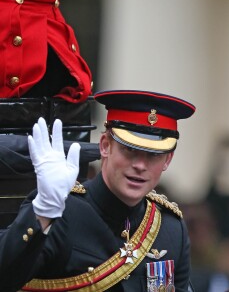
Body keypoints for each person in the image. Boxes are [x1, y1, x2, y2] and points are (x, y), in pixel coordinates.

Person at [0, 89, 196, 292]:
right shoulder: (61, 212)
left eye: (153, 155)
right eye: (129, 150)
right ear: (105, 146)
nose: (140, 165)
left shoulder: (171, 228)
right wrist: (43, 212)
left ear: (167, 160)